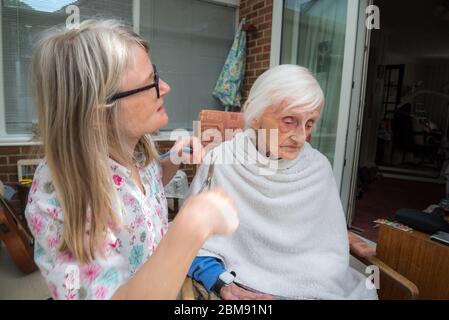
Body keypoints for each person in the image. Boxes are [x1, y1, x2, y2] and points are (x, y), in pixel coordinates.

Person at [24, 19, 238, 300]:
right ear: (100, 115)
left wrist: (172, 159)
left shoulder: (136, 147)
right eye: (149, 83)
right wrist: (190, 228)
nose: (166, 87)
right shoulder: (59, 199)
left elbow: (140, 194)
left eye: (156, 73)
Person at [187, 65, 378, 300]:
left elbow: (330, 251)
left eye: (309, 123)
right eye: (289, 121)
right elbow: (191, 242)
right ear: (254, 115)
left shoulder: (317, 168)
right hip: (247, 288)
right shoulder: (221, 161)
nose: (301, 137)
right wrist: (222, 283)